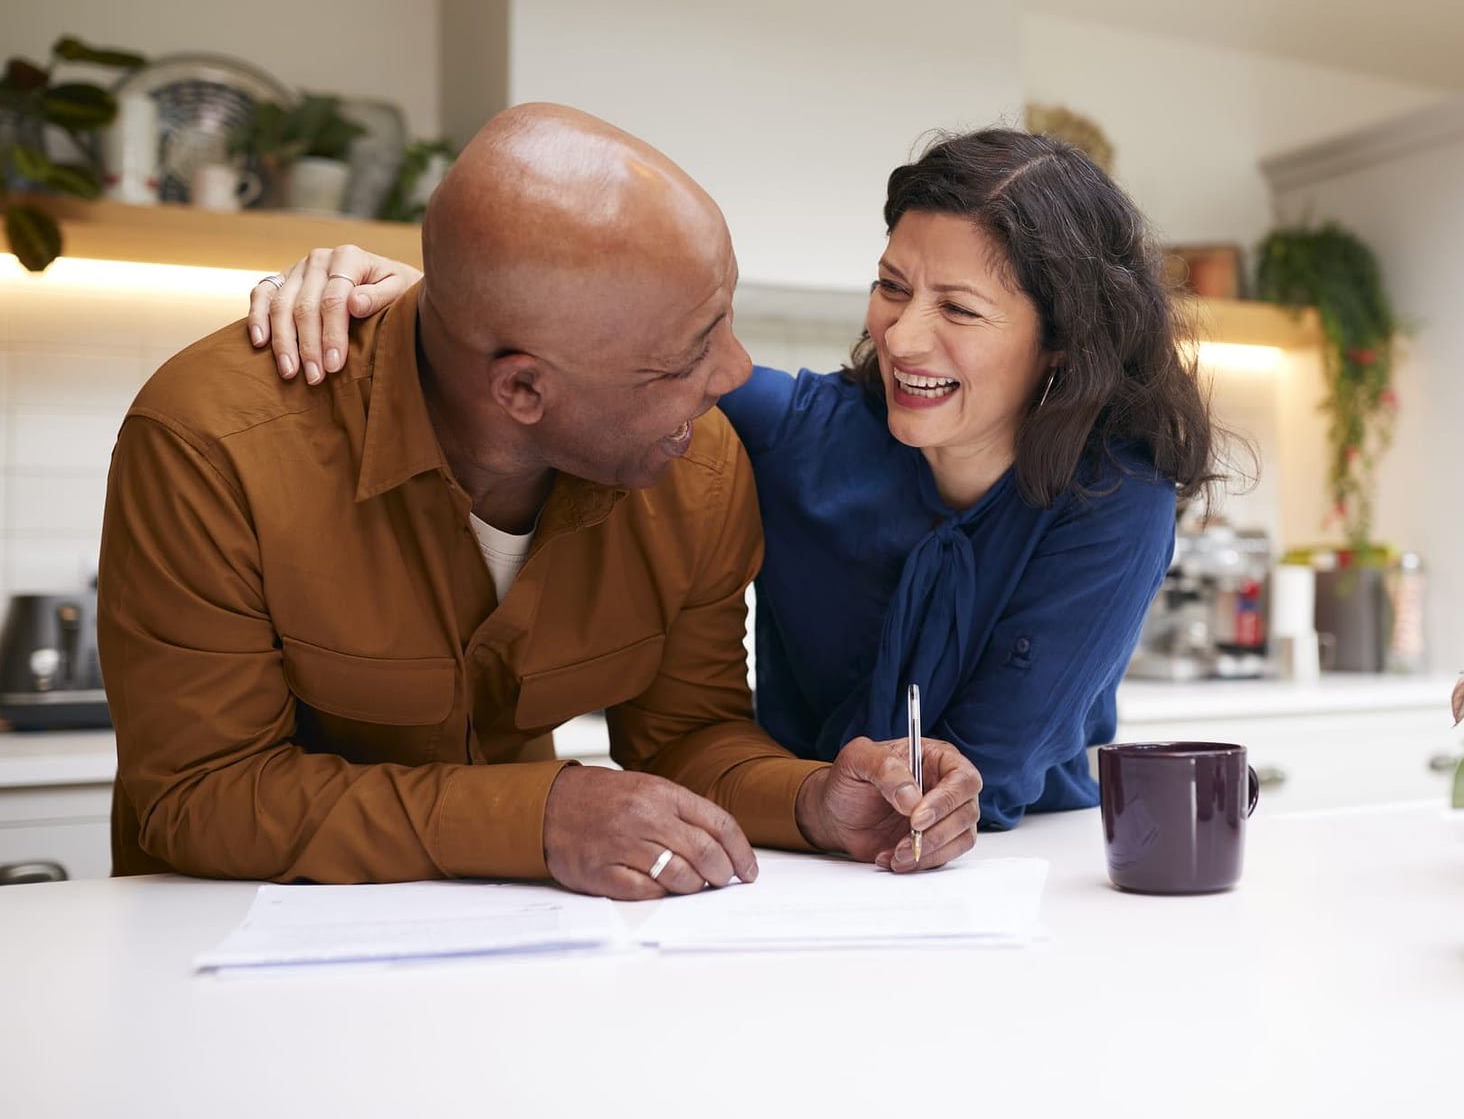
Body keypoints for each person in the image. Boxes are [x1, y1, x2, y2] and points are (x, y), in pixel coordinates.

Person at [99, 104, 982, 898]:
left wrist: (814, 798)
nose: (734, 375)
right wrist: (540, 817)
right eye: (685, 356)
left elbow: (686, 736)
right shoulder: (213, 445)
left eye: (725, 319)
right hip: (221, 957)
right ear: (522, 391)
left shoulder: (696, 465)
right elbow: (200, 793)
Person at [250, 129, 1227, 830]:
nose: (902, 333)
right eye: (892, 285)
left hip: (1013, 868)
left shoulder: (1116, 498)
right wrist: (425, 301)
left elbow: (990, 773)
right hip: (794, 840)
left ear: (1064, 342)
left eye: (958, 308)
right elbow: (595, 362)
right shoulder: (803, 435)